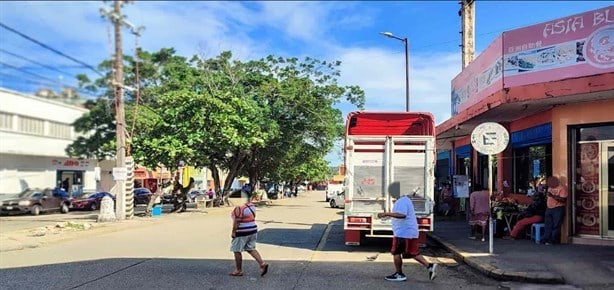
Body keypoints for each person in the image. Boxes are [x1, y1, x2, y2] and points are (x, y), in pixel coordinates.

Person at [377, 193, 437, 282]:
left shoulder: (402, 201)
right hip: (409, 232)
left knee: (396, 253)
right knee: (412, 253)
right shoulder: (404, 200)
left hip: (403, 232)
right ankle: (430, 266)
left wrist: (386, 213)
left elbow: (402, 215)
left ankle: (399, 274)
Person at [229, 201, 269, 277]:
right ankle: (262, 264)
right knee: (251, 248)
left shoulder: (239, 208)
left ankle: (238, 270)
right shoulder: (251, 206)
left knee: (236, 250)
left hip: (242, 231)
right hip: (253, 230)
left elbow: (237, 221)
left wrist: (233, 232)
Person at [542, 176, 567, 245]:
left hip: (558, 208)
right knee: (548, 224)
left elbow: (563, 199)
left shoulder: (562, 188)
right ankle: (545, 238)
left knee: (556, 225)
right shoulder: (550, 188)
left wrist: (552, 195)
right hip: (549, 208)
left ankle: (553, 240)